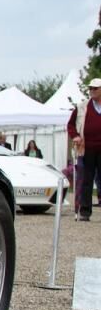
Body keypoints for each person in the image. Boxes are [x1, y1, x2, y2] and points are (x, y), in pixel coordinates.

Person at [67, 77, 101, 221]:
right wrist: (75, 136)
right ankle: (85, 212)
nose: (92, 91)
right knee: (86, 180)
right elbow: (71, 125)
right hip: (86, 149)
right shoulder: (82, 107)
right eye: (90, 88)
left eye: (95, 88)